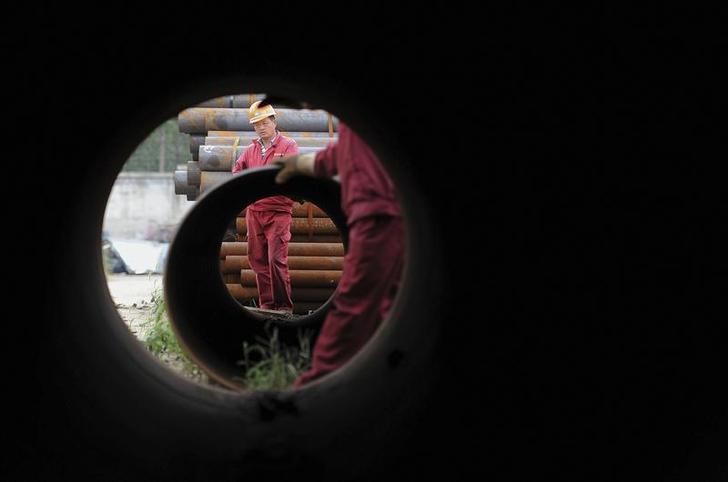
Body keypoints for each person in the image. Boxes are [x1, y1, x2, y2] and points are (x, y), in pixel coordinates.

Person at [273, 105, 404, 387]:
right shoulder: (355, 125)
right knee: (386, 306)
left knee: (353, 303)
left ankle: (315, 390)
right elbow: (338, 157)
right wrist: (300, 165)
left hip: (376, 217)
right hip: (387, 216)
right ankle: (382, 382)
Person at [232, 100, 299, 312]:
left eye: (264, 122)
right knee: (258, 261)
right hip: (255, 212)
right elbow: (237, 173)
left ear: (274, 121)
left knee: (276, 260)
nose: (261, 127)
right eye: (256, 124)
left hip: (278, 211)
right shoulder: (251, 151)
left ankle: (284, 307)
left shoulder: (288, 146)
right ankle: (268, 306)